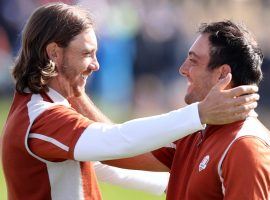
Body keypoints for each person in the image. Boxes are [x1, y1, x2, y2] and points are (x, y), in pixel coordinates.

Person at [1, 3, 259, 200]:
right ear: (54, 53)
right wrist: (200, 113)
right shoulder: (41, 117)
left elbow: (104, 163)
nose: (96, 64)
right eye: (87, 53)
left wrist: (182, 185)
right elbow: (116, 141)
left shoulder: (41, 108)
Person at [105, 21, 270, 199]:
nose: (183, 69)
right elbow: (114, 149)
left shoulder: (245, 147)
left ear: (222, 74)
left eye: (193, 61)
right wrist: (74, 94)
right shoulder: (196, 129)